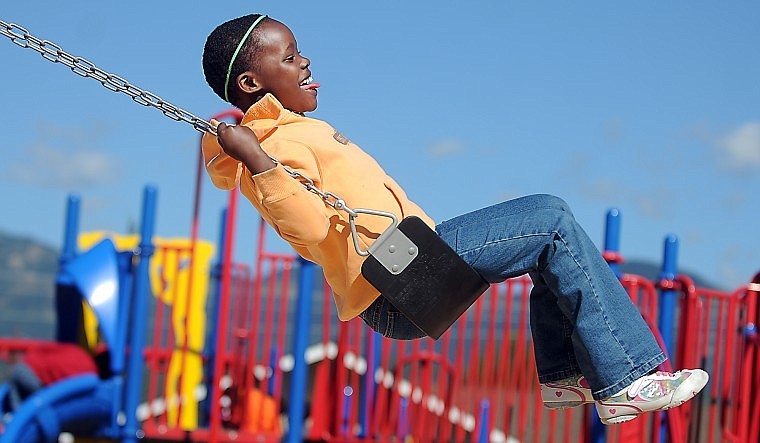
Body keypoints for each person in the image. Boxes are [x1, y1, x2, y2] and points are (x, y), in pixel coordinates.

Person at [199, 14, 708, 424]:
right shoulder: (267, 149)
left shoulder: (295, 131)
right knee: (549, 219)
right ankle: (625, 380)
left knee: (545, 246)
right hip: (395, 280)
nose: (305, 61)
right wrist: (260, 162)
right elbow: (307, 230)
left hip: (406, 264)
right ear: (251, 82)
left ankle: (566, 377)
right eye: (289, 58)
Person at [3, 342, 99, 412]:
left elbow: (45, 348)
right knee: (39, 406)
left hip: (24, 369)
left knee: (18, 411)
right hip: (31, 374)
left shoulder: (80, 354)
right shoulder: (90, 372)